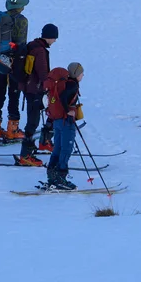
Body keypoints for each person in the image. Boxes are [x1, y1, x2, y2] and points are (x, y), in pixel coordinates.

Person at [0, 0, 29, 140]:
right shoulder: (22, 20)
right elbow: (21, 43)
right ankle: (13, 129)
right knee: (14, 93)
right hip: (13, 61)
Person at [15, 24, 57, 166]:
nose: (55, 41)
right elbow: (42, 73)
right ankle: (25, 155)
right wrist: (49, 87)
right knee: (33, 121)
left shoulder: (32, 46)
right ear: (50, 37)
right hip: (34, 89)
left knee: (38, 116)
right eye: (54, 38)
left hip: (29, 88)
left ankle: (42, 143)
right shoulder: (40, 51)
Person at [45, 62, 84, 190]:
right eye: (81, 73)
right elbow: (63, 97)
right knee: (66, 149)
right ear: (76, 74)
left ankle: (52, 176)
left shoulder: (64, 83)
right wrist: (69, 110)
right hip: (66, 121)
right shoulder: (72, 85)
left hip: (57, 120)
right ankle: (61, 178)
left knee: (58, 148)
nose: (83, 75)